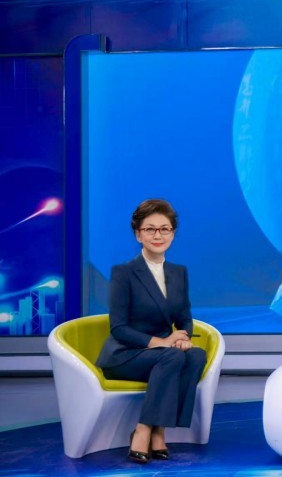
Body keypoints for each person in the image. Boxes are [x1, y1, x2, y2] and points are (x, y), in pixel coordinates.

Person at [96, 199, 207, 464]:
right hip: (126, 355)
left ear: (173, 234)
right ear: (138, 234)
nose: (158, 235)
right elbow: (119, 328)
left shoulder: (178, 273)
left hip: (164, 356)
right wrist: (164, 342)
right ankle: (145, 428)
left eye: (164, 229)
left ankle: (159, 429)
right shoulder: (123, 273)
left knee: (196, 355)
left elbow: (184, 318)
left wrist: (183, 338)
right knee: (172, 355)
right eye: (150, 229)